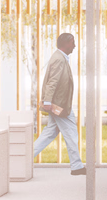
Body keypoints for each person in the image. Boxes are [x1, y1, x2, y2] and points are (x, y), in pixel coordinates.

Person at [32, 32, 84, 174]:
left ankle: (24, 158)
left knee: (48, 134)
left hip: (59, 104)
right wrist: (48, 101)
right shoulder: (59, 59)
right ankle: (77, 166)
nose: (74, 45)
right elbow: (52, 81)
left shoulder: (60, 58)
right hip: (59, 106)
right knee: (71, 132)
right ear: (65, 44)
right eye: (72, 42)